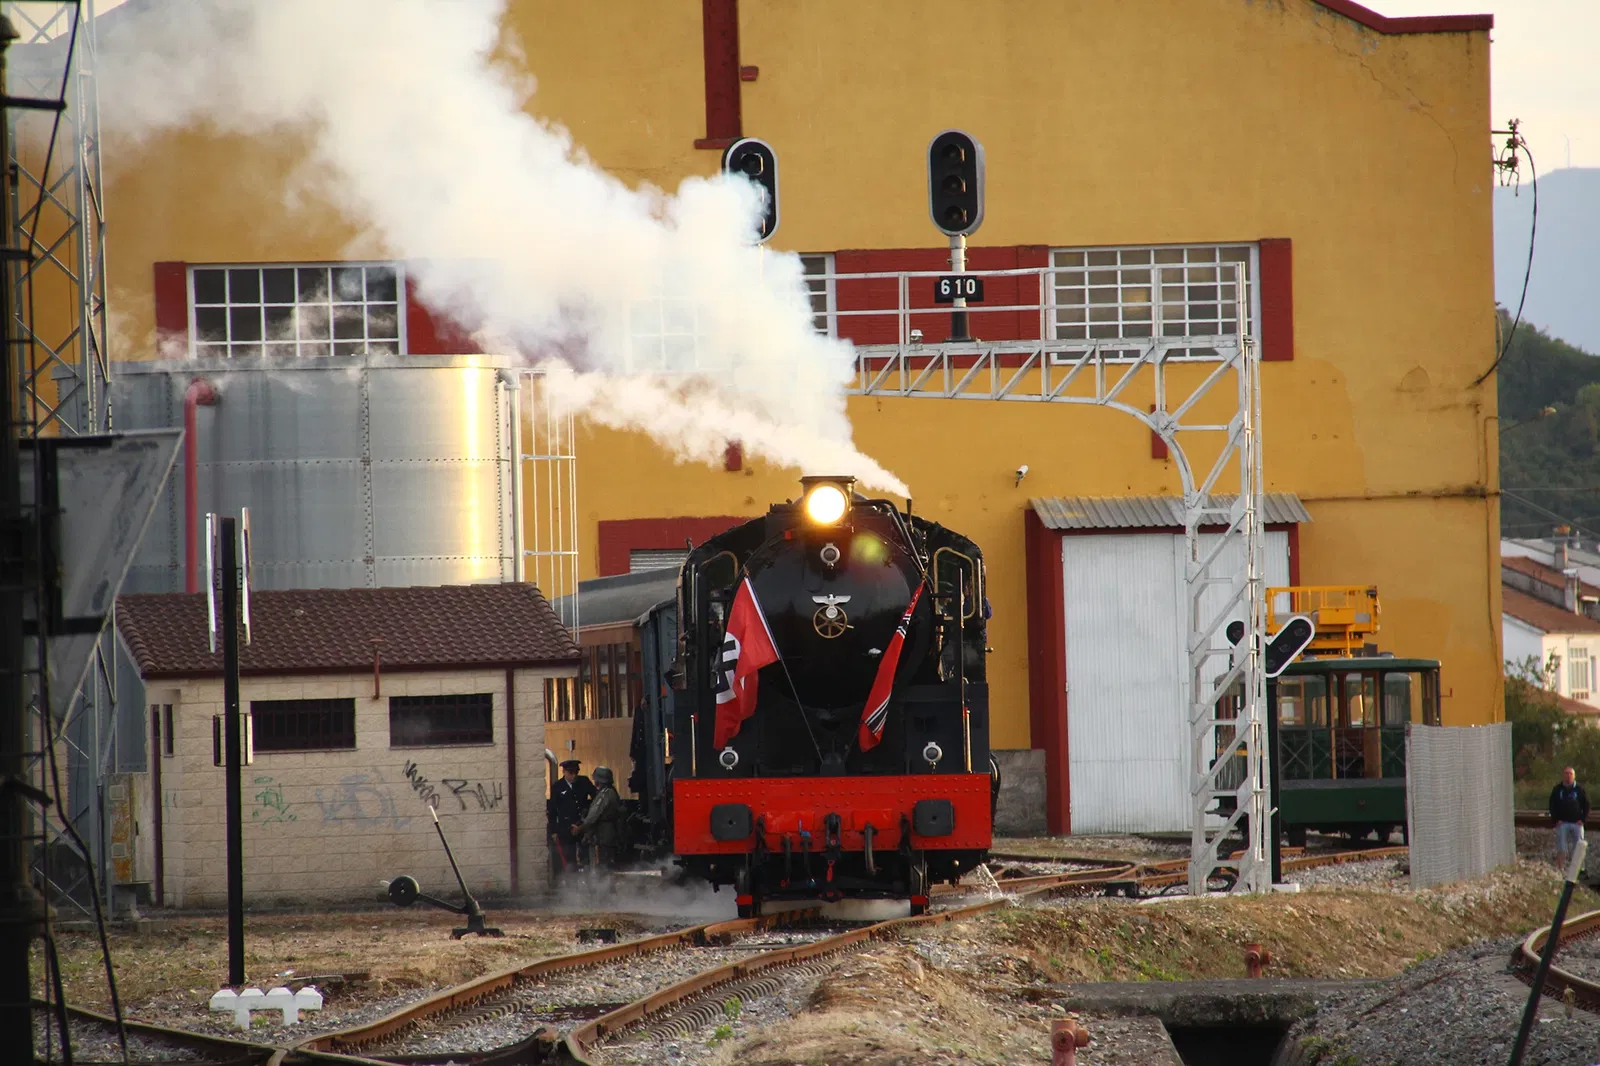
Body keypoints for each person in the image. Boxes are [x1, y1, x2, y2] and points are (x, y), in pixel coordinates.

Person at [574, 765, 629, 869]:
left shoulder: (606, 794)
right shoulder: (609, 792)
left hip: (603, 833)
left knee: (602, 864)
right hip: (605, 832)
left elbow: (593, 816)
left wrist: (581, 828)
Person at [548, 759, 595, 872]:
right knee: (569, 857)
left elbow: (596, 798)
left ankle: (587, 877)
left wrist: (587, 815)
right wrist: (554, 830)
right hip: (566, 826)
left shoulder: (583, 782)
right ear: (564, 772)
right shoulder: (558, 787)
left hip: (582, 824)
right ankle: (571, 879)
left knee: (585, 856)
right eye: (571, 773)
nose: (574, 776)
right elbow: (553, 810)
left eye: (576, 773)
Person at [1549, 765, 1590, 871]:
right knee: (1561, 846)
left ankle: (1579, 869)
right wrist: (1555, 820)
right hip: (1562, 823)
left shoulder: (1579, 789)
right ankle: (1561, 868)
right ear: (1563, 775)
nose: (1568, 775)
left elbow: (1586, 805)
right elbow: (1552, 805)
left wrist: (1583, 819)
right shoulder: (1557, 789)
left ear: (1574, 776)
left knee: (1579, 847)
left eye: (1570, 773)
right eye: (1566, 773)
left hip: (1577, 823)